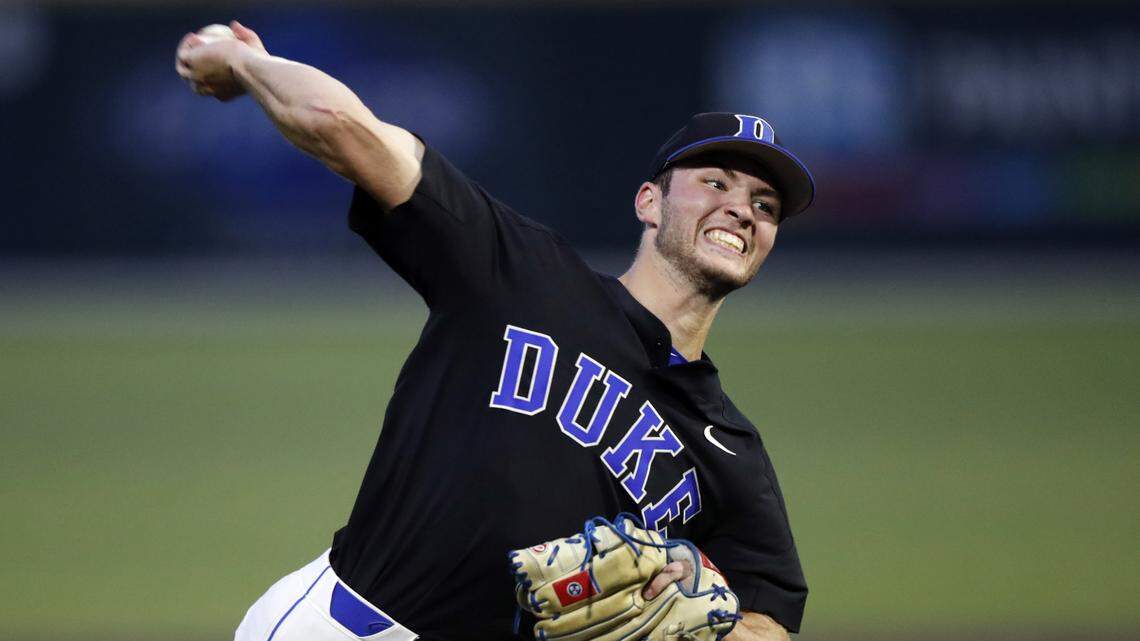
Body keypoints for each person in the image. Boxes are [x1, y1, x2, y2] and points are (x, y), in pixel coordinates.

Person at [176, 20, 814, 641]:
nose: (741, 208)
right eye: (715, 183)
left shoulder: (731, 450)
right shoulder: (521, 274)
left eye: (765, 205)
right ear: (649, 201)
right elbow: (344, 128)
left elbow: (768, 615)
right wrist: (243, 64)